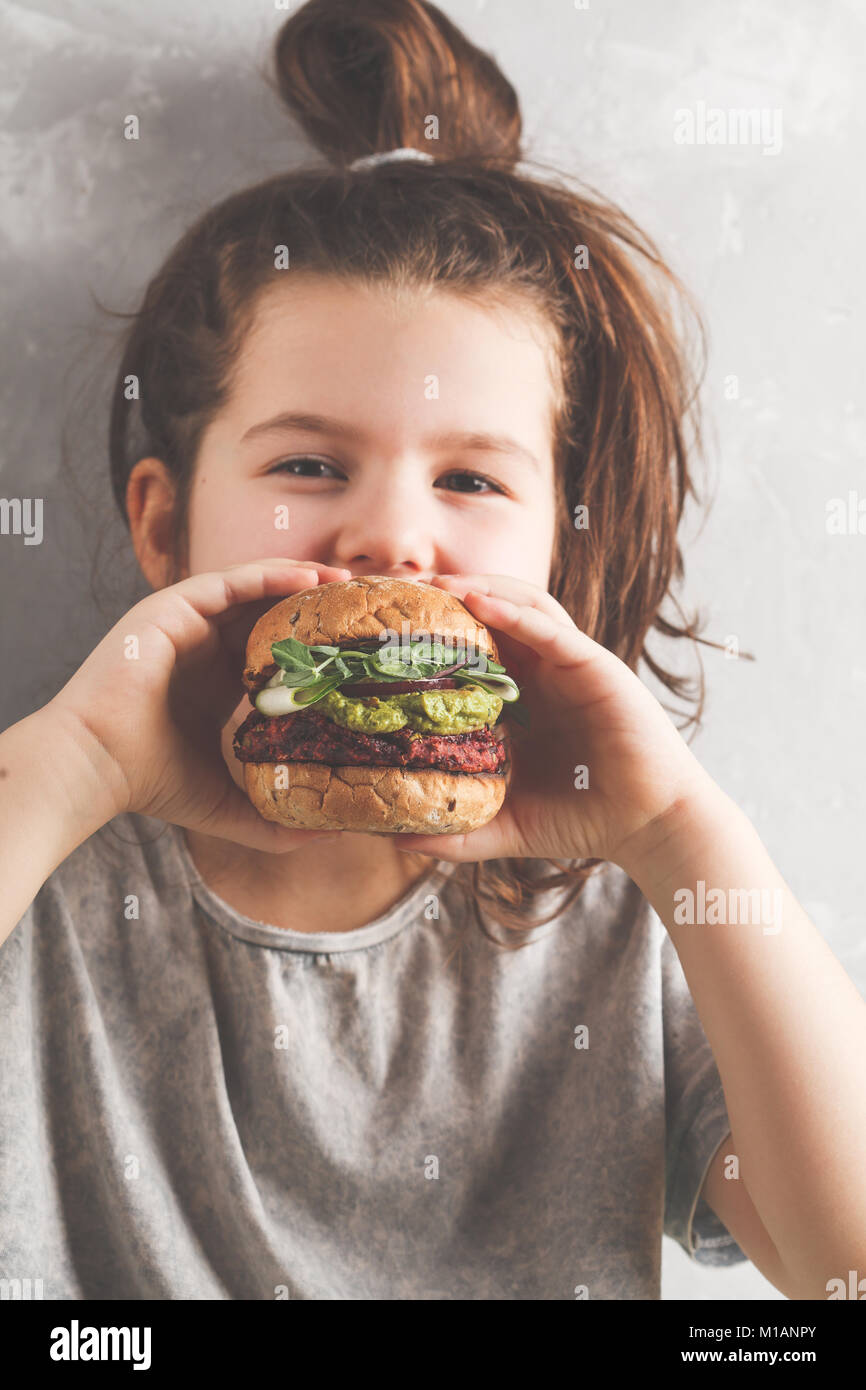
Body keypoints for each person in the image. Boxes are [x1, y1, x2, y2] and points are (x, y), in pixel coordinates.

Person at [2, 0, 864, 1301]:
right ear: (166, 527)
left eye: (470, 479)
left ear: (558, 559)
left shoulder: (625, 920)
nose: (392, 537)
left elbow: (844, 1265)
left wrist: (682, 832)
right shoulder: (44, 875)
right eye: (307, 462)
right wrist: (65, 766)